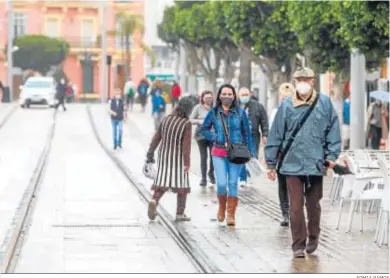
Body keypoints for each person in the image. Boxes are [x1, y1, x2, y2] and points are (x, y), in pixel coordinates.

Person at [265, 67, 341, 258]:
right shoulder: (286, 105)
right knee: (296, 206)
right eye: (299, 79)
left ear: (312, 81)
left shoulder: (324, 102)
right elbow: (276, 134)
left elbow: (333, 129)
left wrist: (332, 156)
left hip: (316, 162)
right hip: (292, 163)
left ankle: (314, 236)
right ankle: (298, 244)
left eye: (306, 79)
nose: (303, 82)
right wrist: (271, 163)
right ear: (295, 81)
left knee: (314, 204)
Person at [200, 84, 256, 226]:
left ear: (234, 96)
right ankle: (221, 207)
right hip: (218, 152)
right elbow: (204, 129)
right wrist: (215, 137)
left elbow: (247, 133)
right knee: (221, 184)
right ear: (219, 96)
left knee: (232, 183)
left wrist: (251, 152)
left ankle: (231, 214)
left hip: (236, 153)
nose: (226, 97)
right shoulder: (213, 112)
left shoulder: (240, 112)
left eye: (229, 94)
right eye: (224, 94)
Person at [146, 98, 194, 221]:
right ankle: (179, 214)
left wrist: (150, 152)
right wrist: (187, 163)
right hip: (178, 158)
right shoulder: (186, 123)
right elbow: (186, 146)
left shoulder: (166, 119)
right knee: (182, 185)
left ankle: (154, 200)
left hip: (164, 156)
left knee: (162, 181)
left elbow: (156, 137)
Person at [272, 82, 295, 227]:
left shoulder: (299, 110)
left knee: (294, 183)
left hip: (296, 152)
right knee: (282, 184)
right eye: (283, 97)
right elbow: (274, 135)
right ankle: (285, 213)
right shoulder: (276, 112)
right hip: (282, 152)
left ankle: (293, 211)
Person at [237, 87, 269, 187]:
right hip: (239, 136)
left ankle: (248, 175)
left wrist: (265, 134)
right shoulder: (235, 106)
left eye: (246, 94)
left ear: (250, 95)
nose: (244, 97)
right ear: (238, 95)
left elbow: (264, 120)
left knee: (252, 156)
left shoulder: (257, 106)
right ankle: (242, 178)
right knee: (241, 156)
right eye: (242, 95)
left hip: (253, 135)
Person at [190, 90, 216, 187]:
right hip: (201, 135)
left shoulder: (215, 108)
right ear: (202, 99)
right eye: (206, 98)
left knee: (213, 156)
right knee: (203, 157)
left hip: (213, 135)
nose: (208, 100)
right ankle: (203, 178)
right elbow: (190, 119)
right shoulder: (198, 108)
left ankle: (211, 174)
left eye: (210, 98)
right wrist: (200, 121)